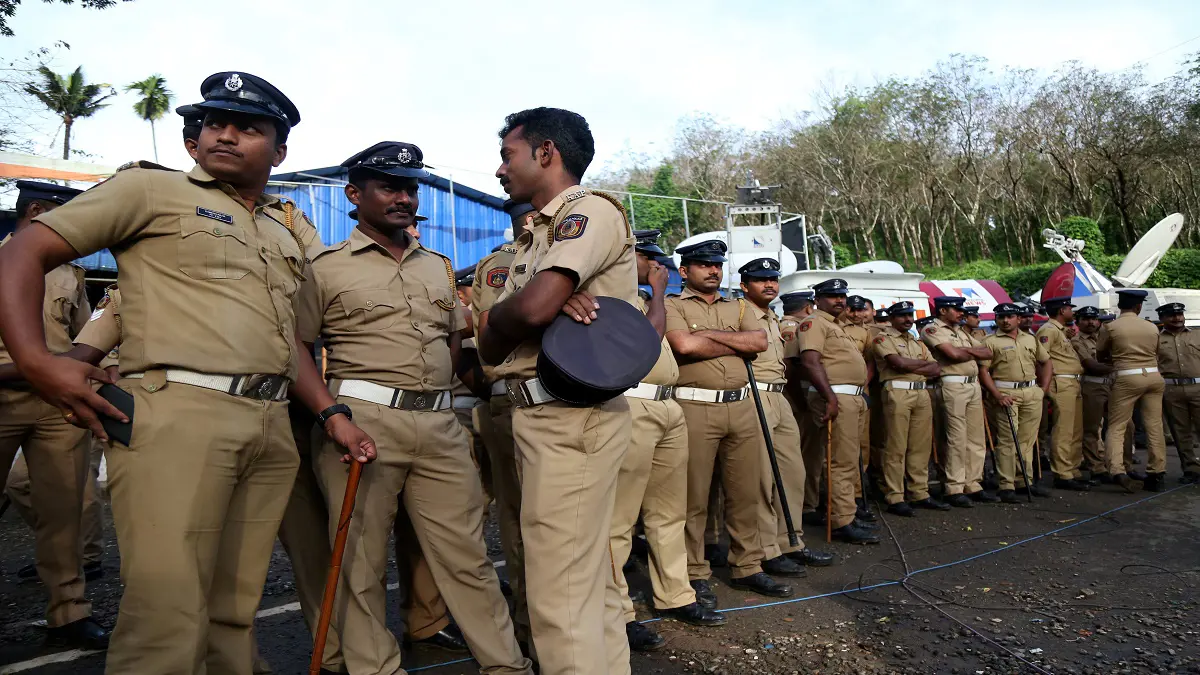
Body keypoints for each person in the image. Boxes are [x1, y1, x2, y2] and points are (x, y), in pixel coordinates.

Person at [0, 72, 380, 674]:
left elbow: (288, 342)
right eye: (213, 123)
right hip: (177, 416)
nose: (225, 134)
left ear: (280, 151)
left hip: (268, 423)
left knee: (233, 611)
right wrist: (39, 363)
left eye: (248, 127)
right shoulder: (148, 192)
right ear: (193, 139)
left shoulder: (281, 232)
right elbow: (23, 251)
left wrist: (331, 414)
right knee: (166, 615)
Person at [297, 141, 529, 675]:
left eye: (410, 187)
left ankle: (506, 665)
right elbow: (297, 347)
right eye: (389, 187)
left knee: (467, 556)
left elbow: (453, 346)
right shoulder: (323, 267)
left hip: (439, 424)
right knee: (360, 561)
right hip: (361, 419)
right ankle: (375, 668)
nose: (404, 197)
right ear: (355, 195)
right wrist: (330, 415)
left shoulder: (437, 267)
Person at [478, 107, 640, 675]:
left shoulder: (586, 212)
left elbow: (527, 311)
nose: (500, 170)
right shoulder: (533, 238)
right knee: (586, 586)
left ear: (546, 152)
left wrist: (518, 314)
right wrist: (517, 315)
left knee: (558, 597)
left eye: (507, 155)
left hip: (569, 416)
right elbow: (493, 348)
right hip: (544, 417)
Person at [0, 180, 105, 650]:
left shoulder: (70, 274)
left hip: (56, 405)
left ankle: (69, 614)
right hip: (2, 395)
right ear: (37, 210)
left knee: (65, 511)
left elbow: (84, 337)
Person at [662, 239, 795, 606]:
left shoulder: (738, 305)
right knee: (694, 496)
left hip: (742, 406)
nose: (713, 271)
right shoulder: (670, 305)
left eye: (717, 265)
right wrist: (735, 342)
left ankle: (747, 565)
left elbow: (759, 342)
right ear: (685, 270)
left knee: (746, 492)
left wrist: (706, 336)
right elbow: (683, 347)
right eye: (704, 265)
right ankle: (694, 571)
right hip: (694, 407)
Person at [613, 230, 725, 653]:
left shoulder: (645, 297)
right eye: (649, 259)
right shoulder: (617, 298)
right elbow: (642, 342)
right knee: (620, 520)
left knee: (668, 512)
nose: (658, 267)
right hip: (632, 404)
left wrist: (654, 293)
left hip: (667, 405)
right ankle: (618, 611)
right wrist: (658, 293)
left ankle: (675, 593)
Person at [739, 258, 833, 573]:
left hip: (779, 396)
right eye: (760, 280)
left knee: (793, 474)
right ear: (744, 285)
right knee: (764, 478)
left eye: (773, 279)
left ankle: (791, 540)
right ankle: (767, 549)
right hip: (755, 395)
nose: (769, 284)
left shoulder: (773, 317)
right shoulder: (737, 312)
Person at [471, 198, 536, 654]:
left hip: (580, 401)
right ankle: (532, 624)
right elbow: (498, 327)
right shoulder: (501, 266)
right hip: (516, 400)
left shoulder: (583, 253)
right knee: (522, 518)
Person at [797, 279, 879, 544]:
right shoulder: (814, 323)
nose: (839, 300)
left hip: (851, 397)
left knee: (849, 458)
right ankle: (841, 521)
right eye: (832, 296)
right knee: (839, 462)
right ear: (817, 299)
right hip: (836, 396)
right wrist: (829, 398)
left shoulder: (837, 326)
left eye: (842, 295)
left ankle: (847, 514)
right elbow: (809, 362)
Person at [871, 301, 948, 516]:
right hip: (897, 392)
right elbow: (898, 364)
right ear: (892, 318)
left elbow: (936, 368)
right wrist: (918, 366)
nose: (907, 319)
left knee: (920, 446)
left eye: (909, 315)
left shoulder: (916, 341)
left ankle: (919, 492)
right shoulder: (883, 338)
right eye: (902, 316)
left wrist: (911, 365)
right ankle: (895, 496)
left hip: (921, 393)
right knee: (896, 446)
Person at [921, 296, 996, 508]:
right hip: (952, 384)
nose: (961, 313)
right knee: (956, 437)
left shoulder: (961, 331)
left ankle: (973, 483)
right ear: (943, 311)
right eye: (956, 309)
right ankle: (954, 486)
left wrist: (966, 352)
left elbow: (988, 352)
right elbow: (952, 354)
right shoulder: (932, 329)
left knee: (976, 437)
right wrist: (971, 353)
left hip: (972, 384)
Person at [979, 303, 1053, 503]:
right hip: (1006, 392)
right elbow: (983, 371)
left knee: (1027, 441)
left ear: (1018, 319)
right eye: (1001, 317)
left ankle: (1024, 481)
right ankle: (1006, 485)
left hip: (1031, 392)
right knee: (1007, 440)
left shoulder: (1030, 339)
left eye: (1010, 316)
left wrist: (1043, 390)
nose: (1005, 320)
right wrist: (996, 395)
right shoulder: (989, 341)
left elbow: (1045, 362)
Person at [1098, 289, 1164, 492]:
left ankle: (1117, 470)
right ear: (1139, 306)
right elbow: (1157, 352)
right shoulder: (1151, 327)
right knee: (1154, 425)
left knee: (1117, 425)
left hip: (1127, 377)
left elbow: (1100, 354)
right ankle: (1156, 472)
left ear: (1120, 306)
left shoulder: (1110, 327)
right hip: (1153, 376)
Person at [1072, 306, 1134, 482]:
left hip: (1116, 386)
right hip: (1093, 386)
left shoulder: (1109, 338)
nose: (1091, 322)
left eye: (1094, 318)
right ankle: (1097, 468)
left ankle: (1124, 466)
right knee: (1091, 429)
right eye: (1085, 318)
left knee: (1127, 427)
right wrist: (1121, 365)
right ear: (1078, 322)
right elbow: (1092, 366)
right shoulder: (1076, 341)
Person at [1037, 298, 1090, 490]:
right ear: (1062, 310)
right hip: (1061, 380)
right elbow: (1042, 358)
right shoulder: (1048, 330)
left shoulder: (1060, 331)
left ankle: (1073, 468)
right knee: (1064, 428)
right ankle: (1062, 472)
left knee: (1076, 428)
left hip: (1072, 381)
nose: (1072, 312)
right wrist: (1045, 385)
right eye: (1069, 309)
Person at [1156, 302, 1200, 484]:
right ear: (1162, 319)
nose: (1177, 318)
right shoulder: (1156, 339)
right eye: (1171, 315)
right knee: (1180, 432)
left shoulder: (1197, 335)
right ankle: (1191, 470)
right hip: (1171, 390)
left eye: (1180, 314)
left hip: (1198, 387)